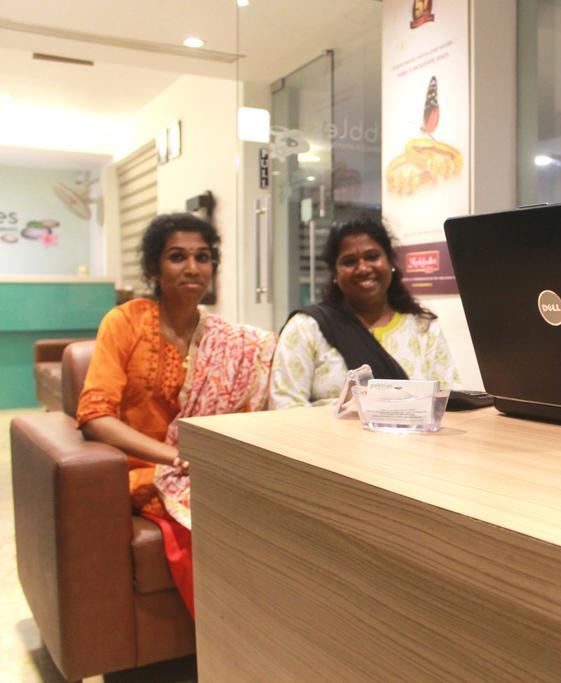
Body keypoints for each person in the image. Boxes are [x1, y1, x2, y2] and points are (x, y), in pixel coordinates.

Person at [77, 213, 275, 618]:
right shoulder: (126, 323)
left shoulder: (226, 339)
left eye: (202, 257)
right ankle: (227, 633)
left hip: (205, 466)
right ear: (154, 267)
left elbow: (242, 415)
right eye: (177, 257)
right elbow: (95, 416)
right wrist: (175, 457)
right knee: (212, 521)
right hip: (143, 472)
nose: (192, 268)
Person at [270, 217, 459, 408]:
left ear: (390, 262)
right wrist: (343, 409)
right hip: (324, 429)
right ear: (335, 273)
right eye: (349, 261)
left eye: (372, 257)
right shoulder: (306, 328)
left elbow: (449, 402)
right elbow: (284, 404)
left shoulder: (424, 328)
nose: (363, 268)